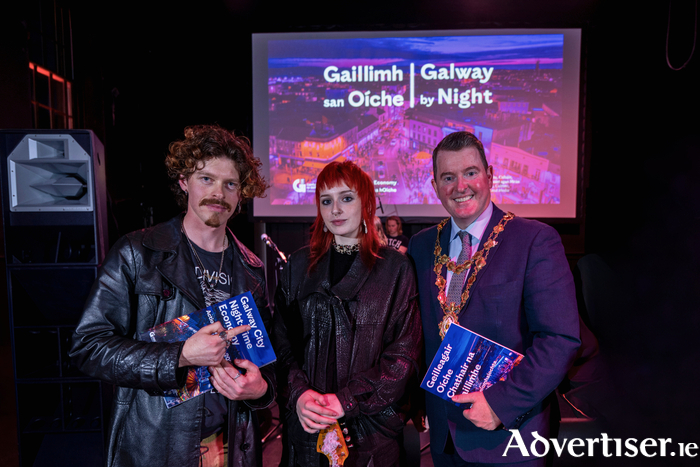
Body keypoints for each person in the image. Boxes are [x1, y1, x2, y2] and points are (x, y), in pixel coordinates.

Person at [70, 125, 275, 467]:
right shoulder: (137, 253)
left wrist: (261, 390)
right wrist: (179, 355)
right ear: (184, 182)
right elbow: (88, 346)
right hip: (157, 445)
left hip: (231, 443)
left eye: (231, 184)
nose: (218, 194)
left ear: (242, 193)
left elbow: (270, 360)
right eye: (206, 179)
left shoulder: (252, 270)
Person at [407, 131, 580, 466]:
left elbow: (560, 340)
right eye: (448, 177)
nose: (460, 187)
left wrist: (501, 404)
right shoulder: (422, 245)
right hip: (444, 438)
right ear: (434, 186)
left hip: (509, 436)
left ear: (490, 176)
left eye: (470, 173)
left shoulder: (535, 240)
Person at [273, 161, 422, 466]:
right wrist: (300, 394)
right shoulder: (297, 266)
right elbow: (281, 345)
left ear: (366, 203)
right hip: (306, 431)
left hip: (372, 434)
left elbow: (404, 356)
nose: (336, 209)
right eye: (326, 201)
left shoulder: (396, 269)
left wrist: (345, 400)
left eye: (346, 198)